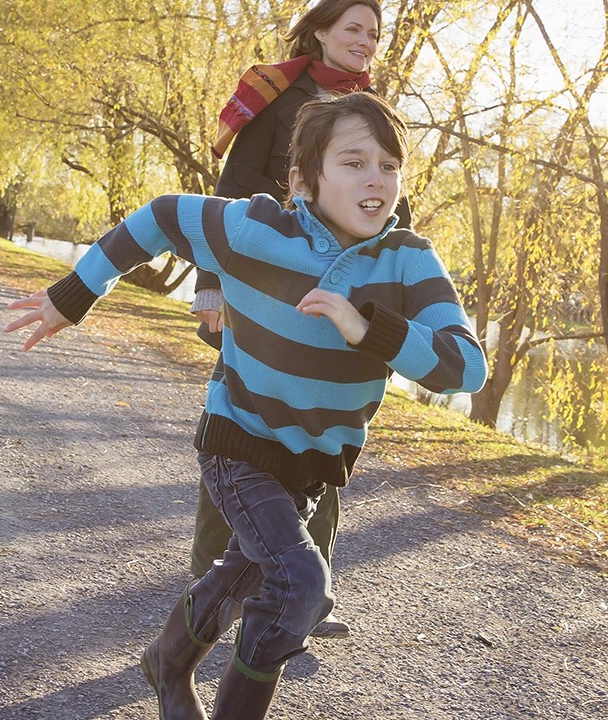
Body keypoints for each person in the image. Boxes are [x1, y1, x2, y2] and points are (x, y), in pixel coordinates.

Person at [5, 91, 487, 719]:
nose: (376, 178)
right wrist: (75, 293)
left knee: (243, 576)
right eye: (353, 161)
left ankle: (166, 663)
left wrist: (370, 330)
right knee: (300, 587)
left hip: (313, 464)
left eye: (389, 165)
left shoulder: (409, 262)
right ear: (303, 181)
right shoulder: (254, 230)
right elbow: (158, 218)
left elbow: (466, 368)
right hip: (238, 439)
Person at [194, 0, 411, 639]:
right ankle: (213, 576)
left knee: (326, 434)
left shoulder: (369, 114)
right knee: (242, 425)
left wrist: (392, 297)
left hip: (341, 297)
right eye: (354, 29)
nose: (366, 42)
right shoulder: (275, 94)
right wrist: (211, 283)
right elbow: (229, 193)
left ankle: (310, 588)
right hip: (263, 291)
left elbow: (388, 200)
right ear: (320, 32)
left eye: (374, 34)